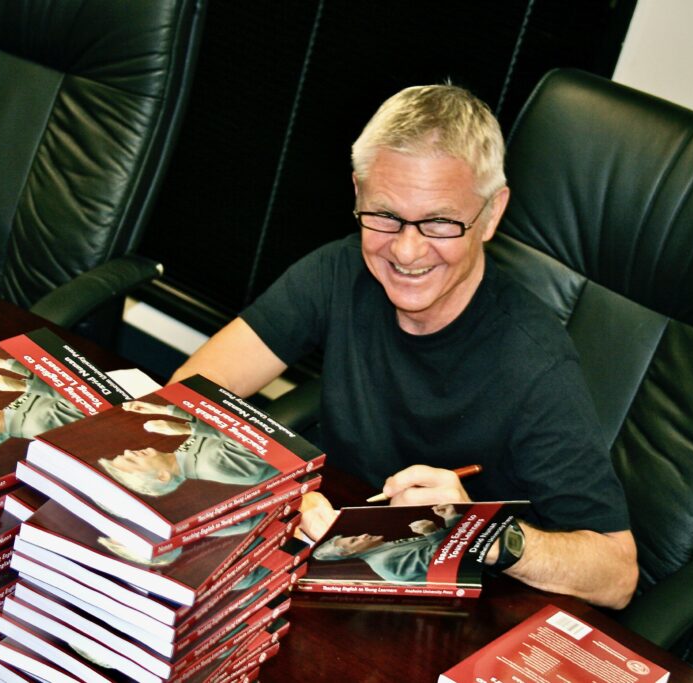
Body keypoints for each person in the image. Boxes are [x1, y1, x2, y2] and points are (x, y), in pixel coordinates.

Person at [169, 84, 637, 608]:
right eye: (386, 215)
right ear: (357, 193)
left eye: (439, 222)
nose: (407, 250)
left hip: (460, 603)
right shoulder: (340, 270)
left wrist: (483, 532)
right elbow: (190, 392)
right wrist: (277, 491)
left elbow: (617, 574)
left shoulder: (534, 363)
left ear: (491, 213)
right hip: (332, 559)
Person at [96, 401, 280, 496]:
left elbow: (211, 420)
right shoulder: (213, 466)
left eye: (124, 454)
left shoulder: (185, 455)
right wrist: (186, 428)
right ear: (163, 476)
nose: (129, 452)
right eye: (132, 460)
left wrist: (163, 409)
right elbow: (257, 435)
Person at [312, 503, 461, 583]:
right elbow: (447, 561)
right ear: (348, 553)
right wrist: (432, 532)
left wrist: (451, 519)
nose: (363, 535)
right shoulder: (386, 561)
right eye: (354, 540)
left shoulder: (385, 550)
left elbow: (454, 545)